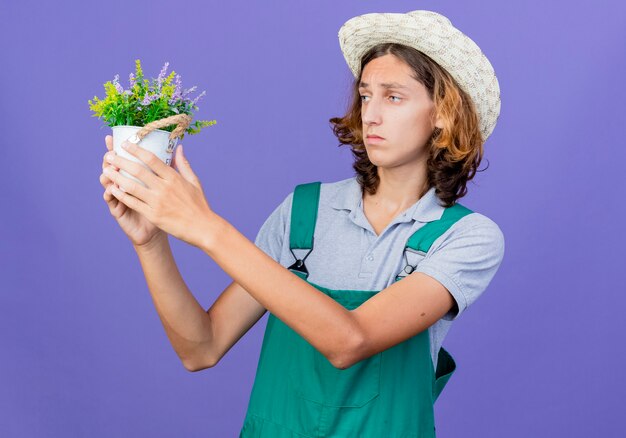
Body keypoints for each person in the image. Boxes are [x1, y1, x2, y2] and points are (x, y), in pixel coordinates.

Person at [99, 9, 505, 437]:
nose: (370, 115)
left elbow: (350, 341)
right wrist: (151, 243)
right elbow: (201, 348)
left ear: (443, 113)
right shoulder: (304, 213)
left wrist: (206, 227)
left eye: (394, 97)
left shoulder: (466, 238)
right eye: (366, 95)